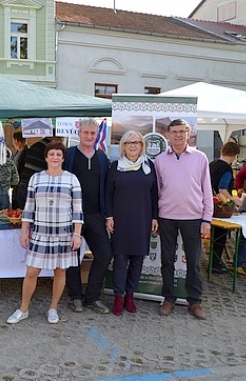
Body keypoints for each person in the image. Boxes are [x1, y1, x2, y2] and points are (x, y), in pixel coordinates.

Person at [6, 140, 83, 324]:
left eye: (58, 154)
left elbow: (78, 210)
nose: (55, 157)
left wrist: (77, 234)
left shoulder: (72, 179)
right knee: (32, 272)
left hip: (64, 233)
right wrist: (24, 232)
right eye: (52, 154)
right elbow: (28, 208)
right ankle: (23, 309)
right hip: (40, 233)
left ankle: (53, 308)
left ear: (63, 158)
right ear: (46, 157)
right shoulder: (36, 178)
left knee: (60, 272)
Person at [154, 119, 213, 320]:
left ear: (189, 134)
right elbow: (157, 191)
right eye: (174, 132)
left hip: (193, 218)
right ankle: (169, 299)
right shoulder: (160, 160)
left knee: (194, 262)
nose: (178, 135)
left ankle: (195, 301)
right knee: (167, 260)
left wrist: (207, 219)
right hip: (167, 217)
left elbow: (207, 190)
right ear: (168, 135)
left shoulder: (200, 158)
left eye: (182, 131)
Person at [105, 131, 159, 316]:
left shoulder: (148, 166)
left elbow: (154, 194)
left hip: (142, 219)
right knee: (120, 260)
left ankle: (130, 296)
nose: (133, 145)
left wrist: (154, 217)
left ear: (142, 145)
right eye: (129, 142)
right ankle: (118, 297)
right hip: (121, 219)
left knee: (137, 261)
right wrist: (109, 217)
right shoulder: (115, 167)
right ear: (123, 146)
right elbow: (108, 194)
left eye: (136, 142)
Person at [63, 118, 112, 314]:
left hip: (95, 214)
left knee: (105, 254)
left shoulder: (102, 158)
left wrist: (107, 214)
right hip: (71, 215)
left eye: (93, 133)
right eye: (86, 133)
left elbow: (107, 188)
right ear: (79, 133)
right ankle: (75, 296)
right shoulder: (70, 155)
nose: (89, 136)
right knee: (71, 256)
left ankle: (92, 296)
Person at [208, 142, 242, 274]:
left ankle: (214, 262)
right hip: (219, 207)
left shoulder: (212, 164)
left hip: (209, 204)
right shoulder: (226, 169)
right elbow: (222, 188)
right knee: (220, 236)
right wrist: (234, 200)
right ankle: (215, 264)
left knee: (213, 236)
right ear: (235, 155)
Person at [11, 132, 29, 210]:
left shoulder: (26, 153)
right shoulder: (18, 152)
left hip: (22, 185)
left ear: (16, 141)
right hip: (16, 185)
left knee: (20, 208)